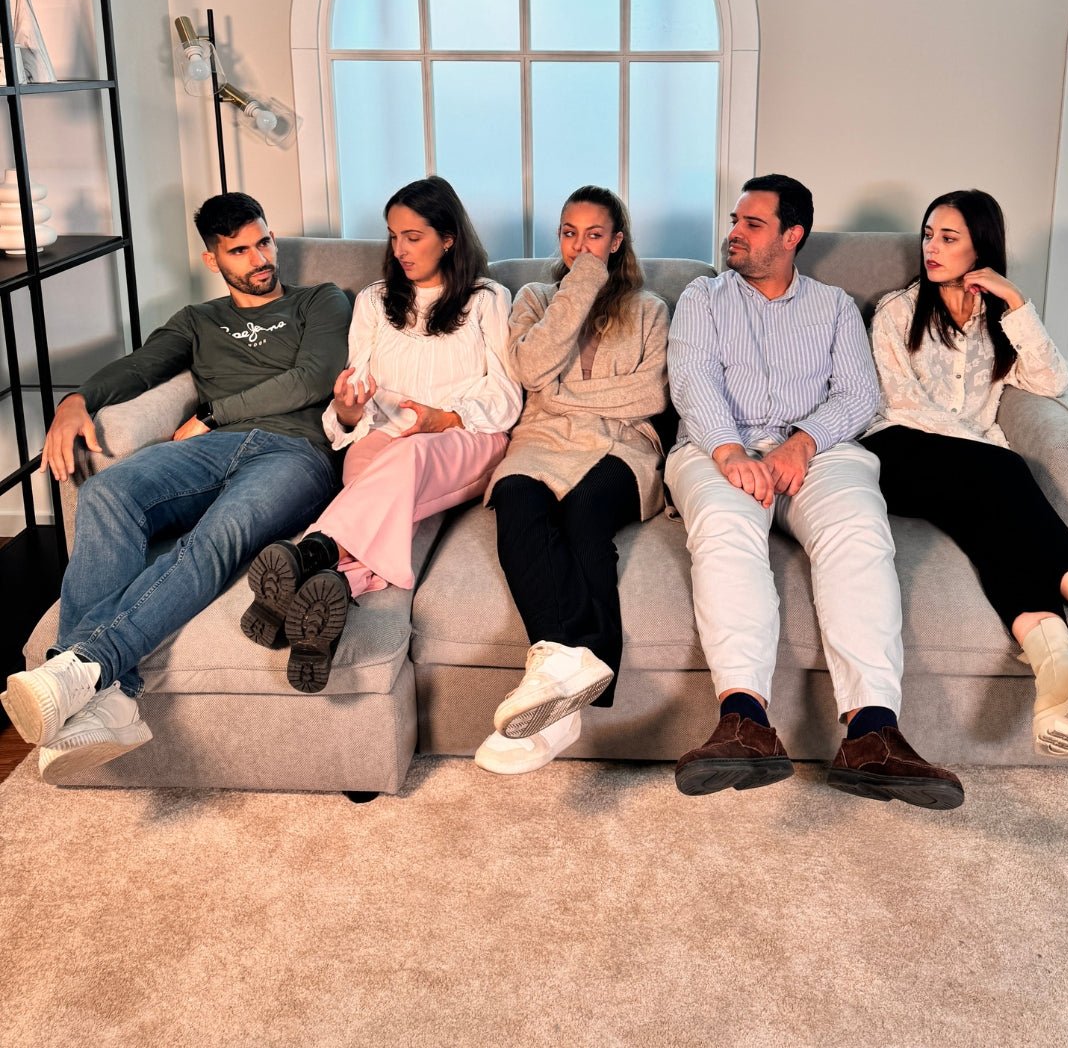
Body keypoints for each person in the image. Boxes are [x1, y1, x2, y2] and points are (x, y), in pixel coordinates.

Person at [1, 192, 350, 782]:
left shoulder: (321, 300)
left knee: (217, 536)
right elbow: (140, 367)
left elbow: (313, 379)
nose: (260, 259)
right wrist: (77, 400)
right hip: (207, 451)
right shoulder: (198, 320)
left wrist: (213, 415)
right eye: (239, 251)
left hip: (294, 452)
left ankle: (83, 666)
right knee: (107, 491)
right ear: (213, 259)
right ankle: (111, 697)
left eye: (264, 242)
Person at [862, 188, 1068, 758]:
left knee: (994, 530)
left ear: (980, 248)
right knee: (1002, 472)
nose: (931, 248)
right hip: (897, 452)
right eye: (928, 235)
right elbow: (899, 402)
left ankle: (1057, 674)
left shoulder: (998, 318)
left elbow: (1051, 382)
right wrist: (983, 453)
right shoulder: (896, 311)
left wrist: (1016, 302)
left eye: (948, 238)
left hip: (974, 473)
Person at [666, 173, 963, 808]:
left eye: (752, 224)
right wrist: (729, 451)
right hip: (719, 446)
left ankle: (873, 734)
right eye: (735, 221)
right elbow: (691, 378)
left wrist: (801, 443)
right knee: (725, 529)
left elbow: (858, 394)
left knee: (859, 529)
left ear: (792, 235)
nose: (734, 233)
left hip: (817, 451)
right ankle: (744, 723)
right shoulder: (702, 297)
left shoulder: (833, 307)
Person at [242, 176, 521, 693]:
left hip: (464, 435)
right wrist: (348, 410)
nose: (400, 250)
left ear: (449, 238)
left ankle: (314, 549)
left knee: (407, 461)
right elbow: (354, 397)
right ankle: (333, 587)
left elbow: (508, 394)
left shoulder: (487, 299)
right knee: (372, 474)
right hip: (384, 436)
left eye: (413, 237)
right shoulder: (374, 301)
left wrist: (442, 419)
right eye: (394, 237)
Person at [474, 186, 670, 775]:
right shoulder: (535, 298)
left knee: (583, 515)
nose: (580, 246)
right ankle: (562, 680)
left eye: (594, 235)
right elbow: (532, 368)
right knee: (516, 498)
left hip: (622, 443)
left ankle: (559, 699)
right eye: (569, 233)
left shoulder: (650, 308)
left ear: (617, 241)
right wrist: (580, 284)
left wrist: (559, 394)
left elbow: (650, 395)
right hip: (541, 440)